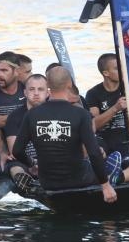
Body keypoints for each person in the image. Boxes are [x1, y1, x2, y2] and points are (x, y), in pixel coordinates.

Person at [10, 67, 117, 203]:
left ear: (48, 85)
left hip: (47, 182)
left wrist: (32, 164)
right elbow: (94, 153)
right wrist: (105, 185)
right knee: (108, 158)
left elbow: (17, 151)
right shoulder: (81, 114)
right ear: (69, 85)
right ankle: (112, 178)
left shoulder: (32, 114)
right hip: (78, 180)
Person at [4, 74, 48, 174]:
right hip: (25, 161)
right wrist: (32, 163)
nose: (36, 93)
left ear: (48, 93)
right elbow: (14, 150)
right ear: (25, 92)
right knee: (14, 166)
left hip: (50, 159)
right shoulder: (14, 116)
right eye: (32, 89)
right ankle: (25, 183)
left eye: (40, 89)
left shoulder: (55, 113)